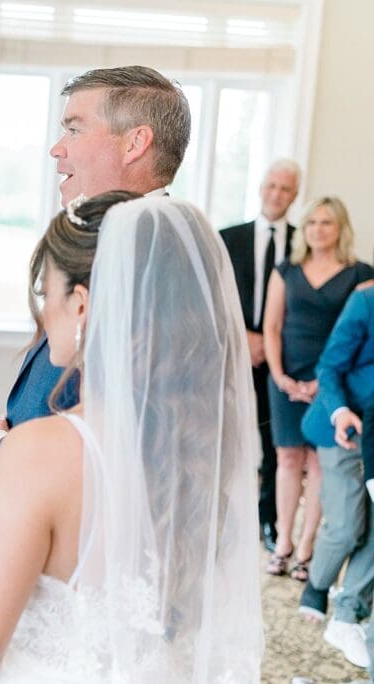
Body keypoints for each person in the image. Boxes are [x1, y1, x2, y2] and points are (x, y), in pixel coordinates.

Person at [0, 195, 263, 682]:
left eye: (44, 290)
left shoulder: (40, 450)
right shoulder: (202, 448)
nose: (43, 310)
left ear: (82, 303)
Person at [0, 65, 191, 483]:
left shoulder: (150, 258)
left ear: (135, 143)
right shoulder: (105, 236)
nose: (57, 148)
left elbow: (126, 432)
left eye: (74, 129)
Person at [263, 196, 374, 582]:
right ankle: (282, 544)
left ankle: (307, 547)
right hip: (286, 378)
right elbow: (272, 327)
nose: (317, 230)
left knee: (320, 464)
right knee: (288, 460)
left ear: (340, 228)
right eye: (311, 222)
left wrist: (322, 385)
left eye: (326, 223)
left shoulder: (360, 273)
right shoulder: (287, 270)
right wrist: (279, 376)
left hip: (333, 382)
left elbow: (361, 340)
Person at [219, 159, 301, 553]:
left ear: (295, 195)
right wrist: (243, 339)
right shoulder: (227, 238)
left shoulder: (305, 245)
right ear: (260, 187)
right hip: (233, 356)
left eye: (285, 189)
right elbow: (212, 302)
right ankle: (218, 519)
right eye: (271, 185)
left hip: (281, 363)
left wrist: (271, 345)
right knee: (224, 437)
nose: (276, 194)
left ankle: (267, 520)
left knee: (274, 446)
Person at [298, 283, 374, 668]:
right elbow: (329, 367)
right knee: (347, 526)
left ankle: (347, 614)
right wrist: (340, 411)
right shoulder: (366, 301)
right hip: (341, 426)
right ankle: (317, 583)